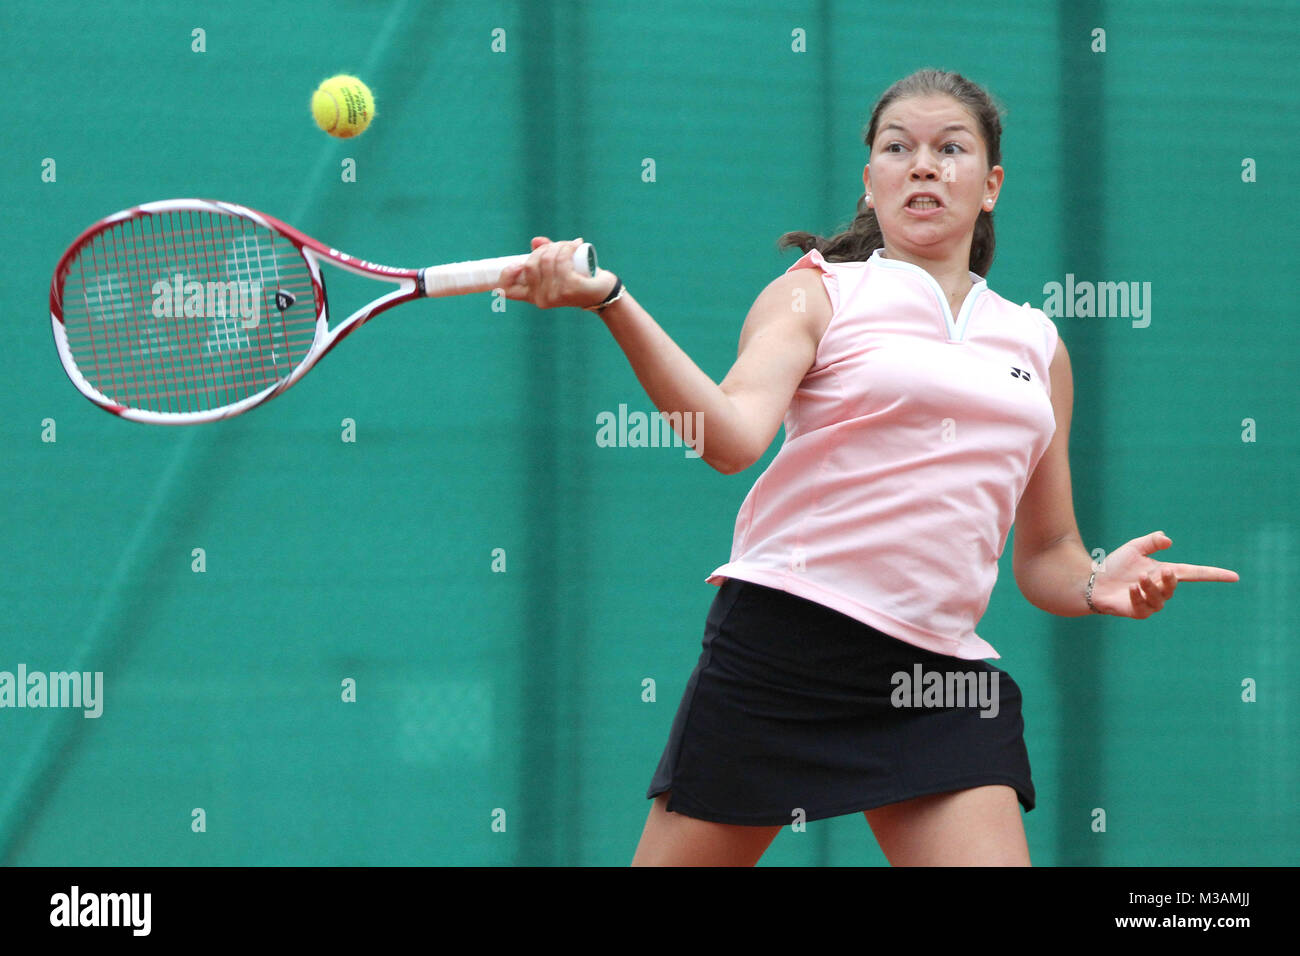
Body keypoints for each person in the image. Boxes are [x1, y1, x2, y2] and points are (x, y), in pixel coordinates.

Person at [497, 68, 1239, 867]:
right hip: (785, 656)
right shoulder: (815, 294)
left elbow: (1047, 553)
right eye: (899, 148)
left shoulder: (1038, 344)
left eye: (950, 148)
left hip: (939, 682)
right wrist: (613, 300)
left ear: (990, 184)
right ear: (871, 182)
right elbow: (731, 439)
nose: (924, 165)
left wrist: (1095, 583)